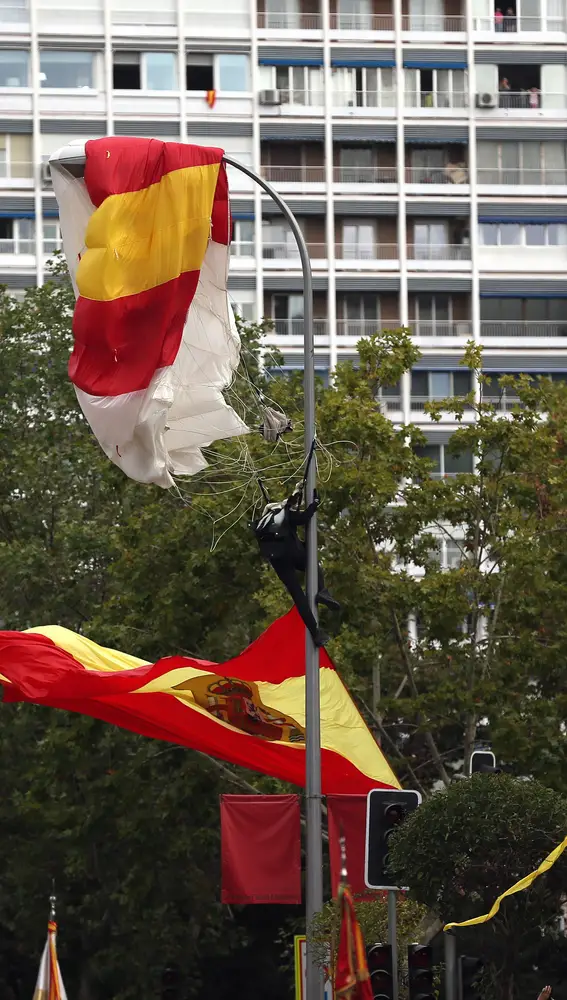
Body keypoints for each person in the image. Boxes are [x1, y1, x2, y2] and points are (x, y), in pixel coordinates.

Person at [253, 485, 341, 647]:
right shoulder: (284, 514)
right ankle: (321, 591)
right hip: (292, 553)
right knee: (312, 561)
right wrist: (315, 503)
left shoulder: (264, 524)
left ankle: (315, 633)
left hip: (277, 560)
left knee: (298, 595)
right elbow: (304, 518)